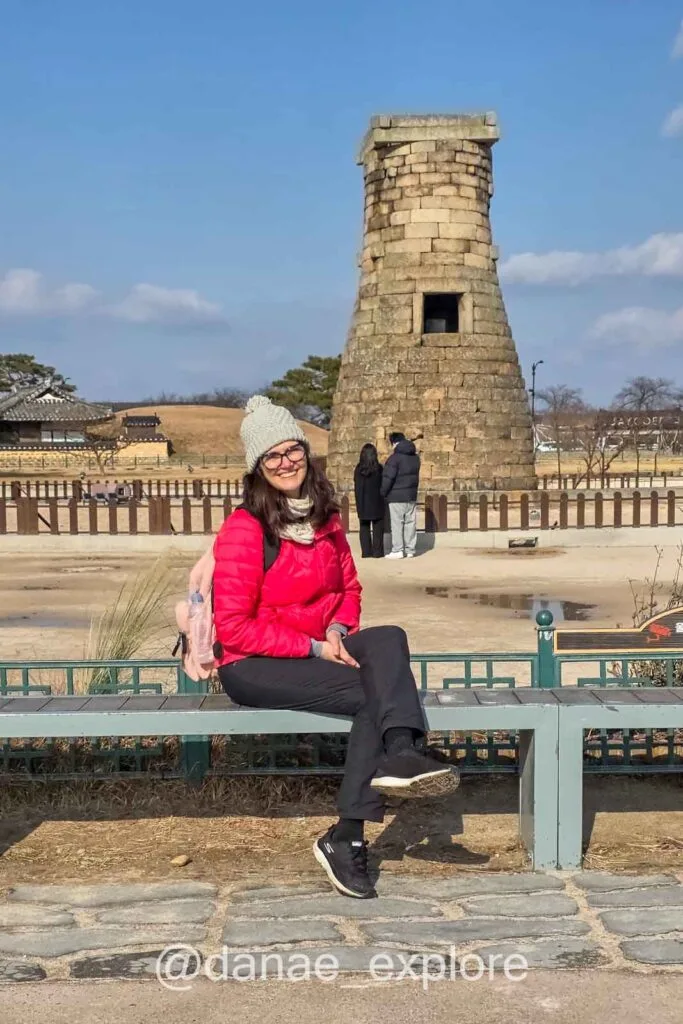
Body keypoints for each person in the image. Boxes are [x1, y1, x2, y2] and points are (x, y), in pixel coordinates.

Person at [211, 396, 458, 900]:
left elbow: (349, 588)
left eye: (292, 451)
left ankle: (401, 754)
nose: (285, 463)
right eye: (272, 456)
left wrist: (339, 631)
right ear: (257, 467)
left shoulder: (326, 519)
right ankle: (348, 836)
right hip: (253, 663)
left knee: (389, 638)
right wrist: (313, 648)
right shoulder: (245, 528)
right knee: (372, 696)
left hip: (321, 646)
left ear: (306, 453)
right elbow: (233, 627)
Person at [380, 431, 420, 559]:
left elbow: (388, 478)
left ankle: (397, 549)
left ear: (394, 443)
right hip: (411, 495)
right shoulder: (415, 458)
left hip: (396, 496)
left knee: (397, 523)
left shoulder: (394, 458)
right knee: (410, 523)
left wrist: (383, 492)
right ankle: (410, 549)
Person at [353, 443, 385, 558]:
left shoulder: (358, 469)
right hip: (377, 501)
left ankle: (366, 552)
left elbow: (356, 484)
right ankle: (378, 552)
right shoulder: (379, 469)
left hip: (363, 502)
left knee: (364, 527)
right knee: (378, 527)